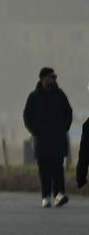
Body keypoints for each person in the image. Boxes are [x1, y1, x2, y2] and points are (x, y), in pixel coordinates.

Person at [23, 66, 73, 208]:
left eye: (54, 77)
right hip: (42, 141)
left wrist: (64, 128)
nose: (54, 79)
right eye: (51, 77)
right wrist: (35, 131)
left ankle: (59, 194)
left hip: (58, 139)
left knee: (58, 168)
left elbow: (68, 112)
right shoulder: (34, 97)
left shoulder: (60, 95)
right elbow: (27, 116)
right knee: (44, 170)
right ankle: (46, 197)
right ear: (43, 78)